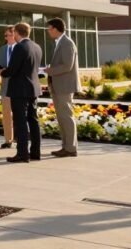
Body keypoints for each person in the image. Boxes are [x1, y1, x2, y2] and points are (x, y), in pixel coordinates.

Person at [1, 22, 42, 163]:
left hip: (19, 90)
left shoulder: (19, 47)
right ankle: (35, 152)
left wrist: (2, 71)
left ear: (17, 33)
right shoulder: (37, 47)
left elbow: (12, 70)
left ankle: (22, 154)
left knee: (21, 121)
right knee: (33, 120)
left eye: (13, 33)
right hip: (33, 89)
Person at [45, 18, 81, 158]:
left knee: (66, 117)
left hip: (64, 87)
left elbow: (67, 65)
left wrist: (50, 71)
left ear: (55, 29)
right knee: (62, 118)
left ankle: (71, 148)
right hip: (59, 86)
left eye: (49, 29)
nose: (48, 31)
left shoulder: (67, 43)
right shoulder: (60, 43)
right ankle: (66, 147)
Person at [0, 26, 17, 149]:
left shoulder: (21, 48)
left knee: (19, 114)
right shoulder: (2, 50)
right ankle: (8, 140)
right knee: (7, 113)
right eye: (5, 35)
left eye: (9, 35)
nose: (6, 38)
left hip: (19, 85)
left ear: (14, 35)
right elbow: (0, 66)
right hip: (6, 85)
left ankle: (19, 138)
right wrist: (0, 70)